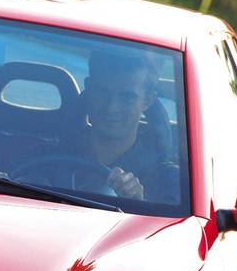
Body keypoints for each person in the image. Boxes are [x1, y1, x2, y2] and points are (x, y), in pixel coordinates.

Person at [64, 50, 177, 202]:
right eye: (103, 92)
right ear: (89, 88)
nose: (112, 107)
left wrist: (138, 204)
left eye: (127, 97)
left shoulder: (169, 183)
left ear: (148, 101)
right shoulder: (44, 157)